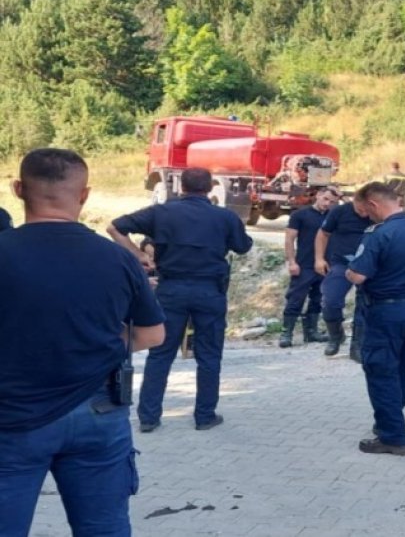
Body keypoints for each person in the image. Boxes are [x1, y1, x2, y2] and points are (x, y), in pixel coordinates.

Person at [0, 148, 165, 536]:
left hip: (13, 418)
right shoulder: (118, 259)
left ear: (19, 189)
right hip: (99, 413)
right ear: (85, 195)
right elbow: (152, 334)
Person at [107, 167, 253, 433]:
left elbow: (114, 227)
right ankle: (205, 416)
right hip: (209, 291)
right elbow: (243, 246)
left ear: (181, 187)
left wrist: (135, 255)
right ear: (210, 188)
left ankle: (149, 418)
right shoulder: (225, 217)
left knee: (160, 354)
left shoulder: (161, 212)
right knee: (209, 355)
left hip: (170, 290)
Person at [346, 182, 405, 456]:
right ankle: (389, 419)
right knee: (400, 368)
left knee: (380, 370)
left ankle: (393, 437)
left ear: (374, 204)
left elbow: (359, 275)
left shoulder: (378, 234)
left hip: (386, 311)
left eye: (365, 211)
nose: (366, 217)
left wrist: (348, 271)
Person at [280, 186, 342, 347]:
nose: (327, 203)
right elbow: (289, 239)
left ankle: (311, 332)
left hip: (326, 265)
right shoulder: (300, 215)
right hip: (304, 264)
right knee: (295, 299)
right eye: (326, 199)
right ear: (318, 195)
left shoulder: (334, 217)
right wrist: (292, 262)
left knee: (318, 299)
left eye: (332, 202)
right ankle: (286, 333)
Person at [314, 195, 373, 360]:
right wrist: (319, 258)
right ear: (354, 201)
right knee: (330, 300)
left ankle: (358, 345)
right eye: (360, 210)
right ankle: (335, 335)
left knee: (365, 305)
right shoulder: (339, 212)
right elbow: (323, 234)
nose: (363, 214)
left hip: (368, 265)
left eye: (366, 210)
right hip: (342, 263)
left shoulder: (376, 213)